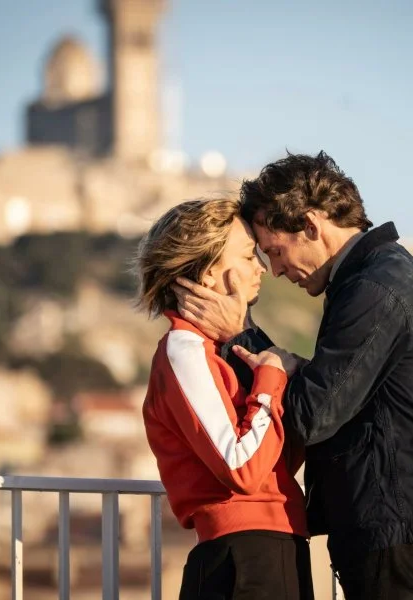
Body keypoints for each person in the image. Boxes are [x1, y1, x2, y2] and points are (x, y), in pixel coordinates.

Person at [173, 152, 413, 600]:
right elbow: (351, 393)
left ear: (310, 225)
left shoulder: (373, 289)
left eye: (275, 251)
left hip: (402, 529)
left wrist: (240, 334)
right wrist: (293, 366)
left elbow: (311, 415)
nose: (276, 270)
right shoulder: (379, 278)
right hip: (410, 525)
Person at [136, 197, 315, 600]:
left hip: (274, 547)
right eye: (249, 255)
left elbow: (275, 456)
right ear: (208, 273)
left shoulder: (219, 352)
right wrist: (272, 375)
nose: (261, 268)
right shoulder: (184, 350)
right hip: (243, 559)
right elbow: (242, 467)